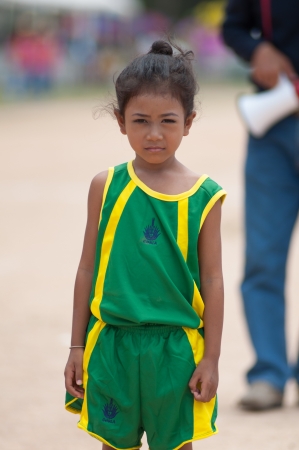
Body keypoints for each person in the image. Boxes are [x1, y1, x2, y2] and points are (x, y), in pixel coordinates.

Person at [64, 40, 226, 449]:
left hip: (176, 351)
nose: (154, 134)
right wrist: (77, 346)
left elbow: (213, 279)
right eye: (140, 121)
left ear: (188, 122)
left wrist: (211, 357)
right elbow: (87, 268)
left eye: (168, 121)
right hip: (112, 345)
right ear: (121, 122)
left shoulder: (204, 196)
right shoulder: (106, 186)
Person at [222, 0, 299, 410]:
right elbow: (232, 26)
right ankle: (269, 374)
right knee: (263, 258)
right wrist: (258, 51)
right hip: (274, 124)